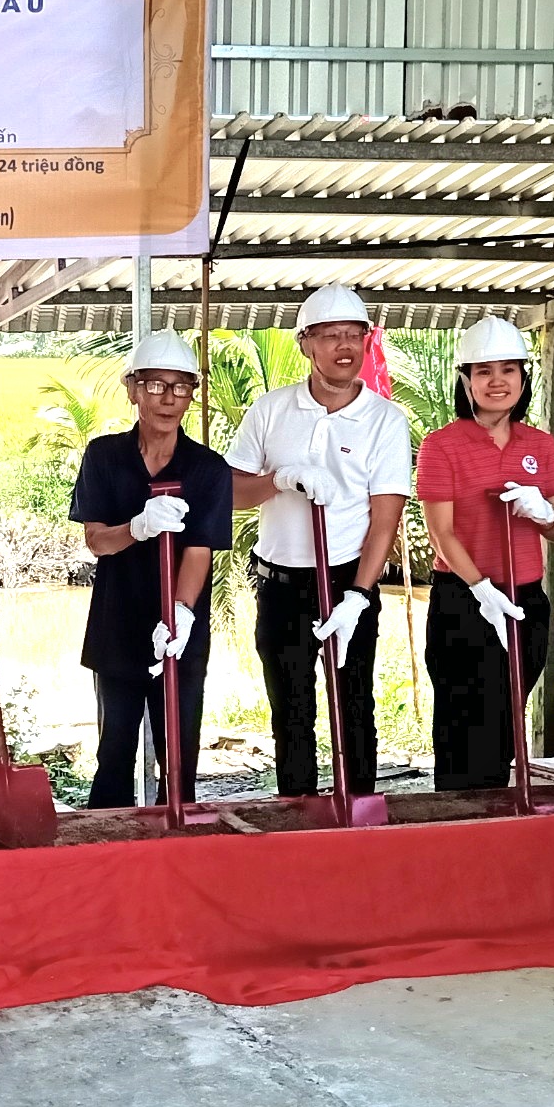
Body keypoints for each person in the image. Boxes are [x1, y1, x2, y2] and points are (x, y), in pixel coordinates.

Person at [226, 285, 412, 800]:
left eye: (354, 335)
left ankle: (358, 815)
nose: (344, 346)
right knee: (290, 711)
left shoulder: (385, 419)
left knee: (354, 706)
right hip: (281, 584)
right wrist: (280, 480)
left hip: (349, 580)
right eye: (330, 336)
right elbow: (231, 492)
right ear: (305, 343)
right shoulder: (270, 410)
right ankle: (298, 815)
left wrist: (359, 596)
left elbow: (386, 518)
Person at [69, 331, 232, 808]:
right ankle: (109, 840)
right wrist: (137, 528)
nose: (168, 398)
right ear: (132, 388)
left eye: (181, 386)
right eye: (155, 385)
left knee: (179, 759)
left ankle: (176, 839)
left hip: (180, 633)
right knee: (113, 753)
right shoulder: (104, 456)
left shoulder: (207, 468)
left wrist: (180, 613)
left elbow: (199, 549)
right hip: (117, 626)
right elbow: (97, 540)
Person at [414, 315, 554, 792]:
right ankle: (459, 816)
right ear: (466, 381)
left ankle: (499, 811)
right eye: (484, 371)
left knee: (504, 716)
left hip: (525, 600)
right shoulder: (441, 446)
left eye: (508, 370)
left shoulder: (540, 445)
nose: (497, 382)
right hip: (463, 600)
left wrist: (542, 510)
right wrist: (481, 589)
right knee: (462, 718)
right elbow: (441, 533)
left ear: (524, 377)